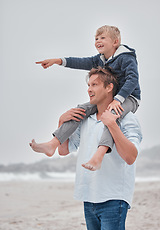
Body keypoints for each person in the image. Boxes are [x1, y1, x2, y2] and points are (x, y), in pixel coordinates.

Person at [30, 25, 141, 171]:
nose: (98, 41)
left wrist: (117, 99)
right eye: (96, 38)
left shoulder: (126, 57)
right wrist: (58, 60)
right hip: (110, 99)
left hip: (129, 98)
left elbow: (132, 80)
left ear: (115, 42)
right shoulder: (100, 59)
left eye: (102, 38)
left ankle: (99, 155)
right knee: (80, 110)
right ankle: (53, 144)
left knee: (111, 115)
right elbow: (81, 62)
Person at [58, 67, 142, 230]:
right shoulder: (86, 120)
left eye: (94, 84)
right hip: (89, 197)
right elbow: (63, 150)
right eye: (88, 85)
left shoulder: (127, 118)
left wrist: (112, 124)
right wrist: (61, 122)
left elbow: (131, 157)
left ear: (109, 87)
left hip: (114, 198)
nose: (89, 89)